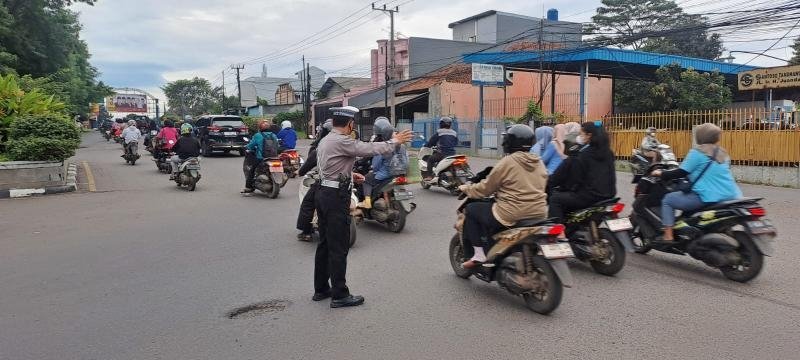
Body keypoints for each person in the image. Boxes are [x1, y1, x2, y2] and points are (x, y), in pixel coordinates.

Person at [312, 106, 413, 308]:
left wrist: (350, 175)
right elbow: (368, 149)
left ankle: (321, 289)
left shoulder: (327, 139)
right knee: (338, 246)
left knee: (325, 244)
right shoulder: (342, 140)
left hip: (323, 192)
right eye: (353, 123)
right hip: (335, 197)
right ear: (350, 124)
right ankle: (340, 295)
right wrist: (395, 141)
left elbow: (331, 166)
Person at [457, 124, 548, 268]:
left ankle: (479, 255)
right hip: (539, 211)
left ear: (509, 142)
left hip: (512, 212)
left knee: (472, 209)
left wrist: (466, 188)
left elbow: (485, 188)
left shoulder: (508, 162)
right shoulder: (539, 161)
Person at [652, 123, 742, 242]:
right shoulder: (724, 153)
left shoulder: (698, 152)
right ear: (716, 137)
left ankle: (668, 236)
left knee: (668, 200)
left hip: (707, 197)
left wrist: (660, 173)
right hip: (731, 195)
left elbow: (681, 172)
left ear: (700, 136)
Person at [548, 122, 617, 224]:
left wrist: (566, 188)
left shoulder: (584, 154)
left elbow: (576, 179)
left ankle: (559, 232)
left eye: (581, 134)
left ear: (589, 135)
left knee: (555, 199)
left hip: (589, 196)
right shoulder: (608, 153)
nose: (579, 137)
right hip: (609, 195)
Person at [296, 119, 333, 242]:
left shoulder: (320, 148)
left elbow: (307, 165)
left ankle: (306, 232)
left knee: (307, 204)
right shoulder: (345, 144)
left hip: (324, 182)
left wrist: (299, 172)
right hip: (344, 182)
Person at [359, 117, 408, 209]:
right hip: (400, 173)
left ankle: (367, 202)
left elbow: (376, 165)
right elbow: (406, 159)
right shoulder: (402, 145)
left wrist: (373, 170)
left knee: (366, 179)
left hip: (386, 174)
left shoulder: (383, 146)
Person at [242, 120, 280, 193]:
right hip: (274, 157)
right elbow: (277, 145)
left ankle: (248, 187)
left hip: (261, 158)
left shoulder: (258, 135)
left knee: (252, 170)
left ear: (259, 128)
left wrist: (246, 147)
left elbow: (251, 145)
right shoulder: (273, 135)